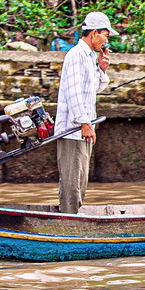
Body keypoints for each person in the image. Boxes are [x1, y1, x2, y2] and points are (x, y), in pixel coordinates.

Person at [55, 11, 115, 215]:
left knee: (81, 181)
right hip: (73, 131)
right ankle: (69, 224)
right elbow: (73, 94)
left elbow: (92, 90)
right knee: (72, 183)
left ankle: (73, 219)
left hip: (82, 129)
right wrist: (85, 123)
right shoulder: (76, 55)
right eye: (105, 35)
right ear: (94, 33)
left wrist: (102, 68)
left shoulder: (89, 57)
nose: (106, 40)